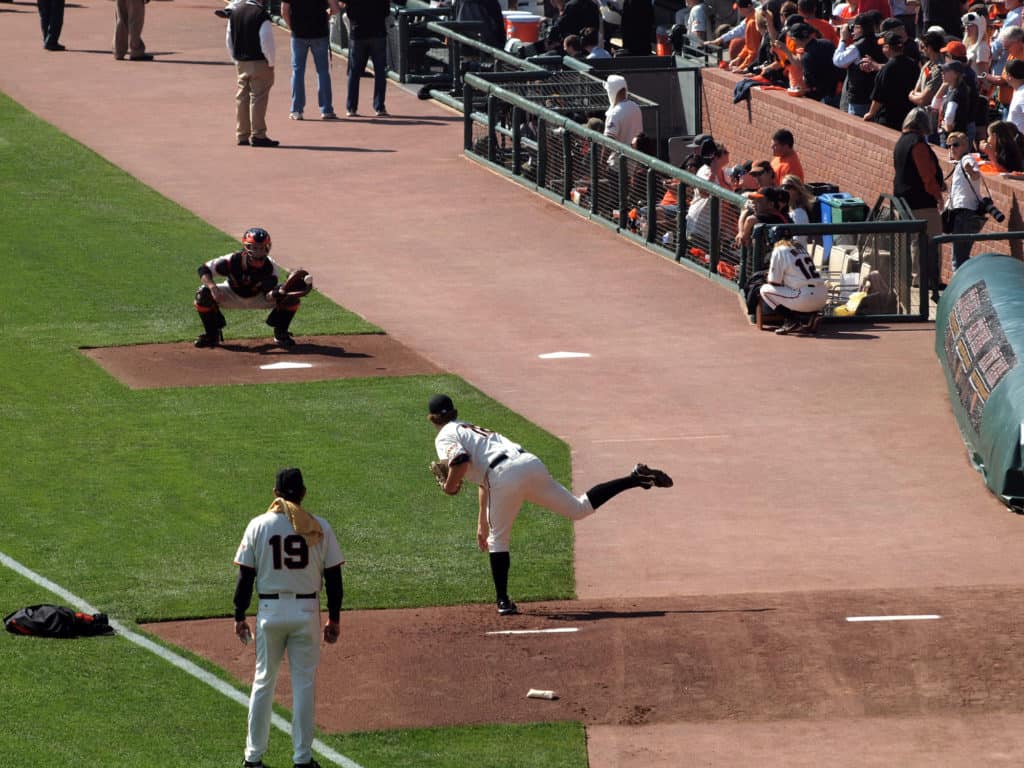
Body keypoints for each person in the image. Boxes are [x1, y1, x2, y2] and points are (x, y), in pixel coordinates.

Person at [427, 394, 672, 616]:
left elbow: (459, 460)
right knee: (579, 508)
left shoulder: (444, 435)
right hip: (529, 464)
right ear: (455, 412)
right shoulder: (471, 429)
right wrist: (481, 522)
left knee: (498, 541)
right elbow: (482, 482)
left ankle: (503, 601)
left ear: (432, 419)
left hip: (502, 476)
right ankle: (635, 478)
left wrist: (449, 488)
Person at [233, 467, 344, 768]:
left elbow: (245, 577)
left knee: (263, 682)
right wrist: (334, 619)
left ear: (275, 494)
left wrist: (239, 615)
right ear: (304, 493)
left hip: (269, 612)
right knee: (304, 683)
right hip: (306, 612)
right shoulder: (320, 527)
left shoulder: (258, 526)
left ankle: (252, 758)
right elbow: (334, 579)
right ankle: (302, 759)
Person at [193, 227, 306, 349]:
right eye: (255, 247)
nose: (259, 251)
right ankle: (212, 335)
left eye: (262, 247)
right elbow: (203, 269)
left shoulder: (270, 267)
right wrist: (212, 287)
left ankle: (281, 334)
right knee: (203, 294)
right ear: (247, 247)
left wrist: (281, 291)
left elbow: (268, 295)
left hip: (258, 297)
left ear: (268, 247)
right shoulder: (232, 260)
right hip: (231, 294)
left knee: (291, 297)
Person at [892, 107, 945, 291]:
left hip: (902, 200)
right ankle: (927, 280)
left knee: (913, 242)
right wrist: (938, 196)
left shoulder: (900, 142)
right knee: (929, 241)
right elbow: (927, 176)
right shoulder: (918, 144)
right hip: (921, 202)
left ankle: (915, 279)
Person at [228, 0, 279, 147]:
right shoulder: (261, 14)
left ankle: (242, 134)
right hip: (259, 62)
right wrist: (271, 62)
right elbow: (266, 42)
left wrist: (235, 58)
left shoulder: (235, 12)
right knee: (258, 97)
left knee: (242, 97)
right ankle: (258, 134)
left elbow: (229, 39)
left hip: (241, 62)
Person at [759, 225, 827, 334]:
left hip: (805, 296)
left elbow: (773, 281)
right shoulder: (800, 248)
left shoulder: (779, 249)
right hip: (823, 296)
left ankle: (792, 321)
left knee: (764, 290)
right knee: (794, 289)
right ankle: (811, 317)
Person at [283, 0, 341, 121]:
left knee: (297, 71)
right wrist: (327, 14)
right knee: (323, 71)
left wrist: (292, 27)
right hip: (319, 33)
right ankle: (326, 110)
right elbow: (335, 8)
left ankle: (296, 110)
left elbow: (284, 11)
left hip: (299, 33)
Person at [942, 130, 986, 270]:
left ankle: (960, 289)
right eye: (949, 145)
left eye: (955, 145)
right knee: (961, 257)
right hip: (963, 214)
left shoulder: (967, 159)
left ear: (965, 146)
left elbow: (976, 175)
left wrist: (971, 171)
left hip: (964, 215)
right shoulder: (959, 162)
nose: (951, 148)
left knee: (958, 259)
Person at [342, 0, 389, 117]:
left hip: (358, 33)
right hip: (377, 32)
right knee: (380, 71)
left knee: (354, 72)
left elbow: (345, 8)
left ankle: (351, 108)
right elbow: (386, 11)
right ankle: (379, 107)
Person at [863, 30, 918, 129]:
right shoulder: (913, 64)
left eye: (883, 46)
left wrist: (871, 113)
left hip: (888, 119)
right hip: (908, 117)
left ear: (887, 48)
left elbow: (878, 96)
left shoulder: (888, 68)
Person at [833, 13, 884, 116]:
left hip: (859, 98)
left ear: (859, 28)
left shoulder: (857, 47)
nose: (852, 32)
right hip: (875, 96)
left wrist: (842, 39)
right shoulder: (879, 41)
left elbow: (838, 61)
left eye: (853, 28)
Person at [787, 22, 842, 106]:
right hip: (839, 90)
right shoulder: (827, 43)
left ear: (797, 39)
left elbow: (810, 83)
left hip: (824, 96)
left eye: (792, 39)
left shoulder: (807, 56)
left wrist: (799, 89)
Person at [934, 60, 975, 147]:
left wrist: (945, 126)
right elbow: (934, 105)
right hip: (952, 138)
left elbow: (949, 116)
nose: (942, 73)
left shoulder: (956, 92)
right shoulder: (953, 89)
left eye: (946, 71)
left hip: (951, 139)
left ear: (956, 74)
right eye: (942, 70)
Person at [781, 174, 816, 245]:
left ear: (797, 190)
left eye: (787, 187)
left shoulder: (799, 214)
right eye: (782, 186)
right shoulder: (790, 210)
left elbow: (797, 242)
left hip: (795, 254)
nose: (783, 190)